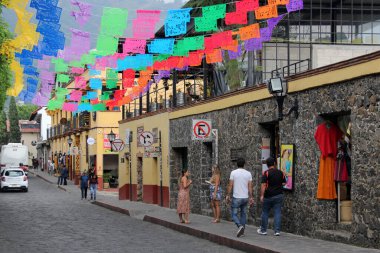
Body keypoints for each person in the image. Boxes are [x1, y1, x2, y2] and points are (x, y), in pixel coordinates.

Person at [257, 157, 286, 236]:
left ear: (267, 165)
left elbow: (263, 185)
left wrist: (262, 195)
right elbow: (284, 183)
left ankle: (263, 230)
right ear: (274, 163)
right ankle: (277, 231)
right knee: (277, 212)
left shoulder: (266, 173)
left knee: (265, 212)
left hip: (268, 195)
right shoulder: (281, 172)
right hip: (278, 195)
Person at [226, 157, 253, 238]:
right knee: (243, 214)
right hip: (245, 197)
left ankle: (239, 226)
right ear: (244, 164)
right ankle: (242, 231)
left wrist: (228, 195)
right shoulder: (248, 173)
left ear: (236, 164)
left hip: (236, 197)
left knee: (234, 214)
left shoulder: (233, 173)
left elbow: (230, 185)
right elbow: (250, 187)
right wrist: (251, 197)